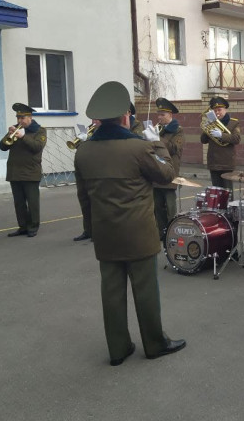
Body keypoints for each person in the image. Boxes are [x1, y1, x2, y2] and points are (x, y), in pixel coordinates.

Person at [75, 81, 186, 366]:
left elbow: (84, 198)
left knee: (111, 294)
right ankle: (154, 344)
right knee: (145, 291)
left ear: (98, 119)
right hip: (139, 233)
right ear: (126, 117)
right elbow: (167, 174)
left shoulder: (83, 152)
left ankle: (118, 348)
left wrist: (92, 230)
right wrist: (156, 142)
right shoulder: (138, 147)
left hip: (105, 233)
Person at [0, 103, 47, 238]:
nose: (20, 121)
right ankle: (23, 226)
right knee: (19, 203)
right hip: (15, 172)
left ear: (30, 117)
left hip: (31, 172)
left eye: (22, 118)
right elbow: (2, 147)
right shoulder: (16, 129)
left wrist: (22, 137)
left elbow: (37, 147)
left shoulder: (40, 131)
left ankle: (33, 226)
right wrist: (9, 135)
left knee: (32, 202)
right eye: (18, 118)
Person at [152, 97, 185, 241]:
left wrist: (157, 138)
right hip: (156, 171)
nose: (159, 117)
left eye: (162, 115)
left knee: (170, 208)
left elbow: (173, 148)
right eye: (158, 114)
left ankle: (172, 233)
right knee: (157, 207)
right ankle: (161, 233)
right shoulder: (158, 129)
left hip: (170, 172)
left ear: (170, 115)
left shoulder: (178, 130)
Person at [200, 96, 241, 190]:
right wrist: (206, 128)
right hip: (214, 162)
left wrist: (221, 135)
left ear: (225, 109)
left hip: (227, 162)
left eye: (219, 110)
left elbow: (236, 139)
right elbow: (203, 140)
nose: (217, 113)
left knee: (227, 191)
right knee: (216, 191)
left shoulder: (233, 123)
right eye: (215, 111)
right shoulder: (211, 123)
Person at [73, 119, 101, 242]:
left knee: (96, 204)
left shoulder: (104, 132)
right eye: (93, 119)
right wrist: (80, 141)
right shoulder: (89, 130)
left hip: (96, 171)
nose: (94, 122)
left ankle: (97, 232)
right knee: (84, 201)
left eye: (96, 119)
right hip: (83, 171)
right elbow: (79, 149)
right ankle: (88, 230)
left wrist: (87, 141)